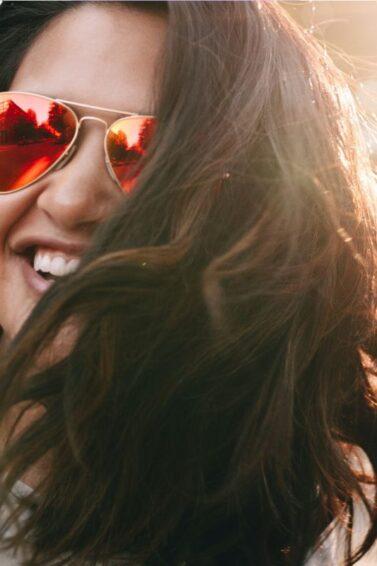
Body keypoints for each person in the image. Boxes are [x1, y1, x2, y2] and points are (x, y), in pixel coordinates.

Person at [0, 1, 375, 564]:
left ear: (264, 220)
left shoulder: (327, 531)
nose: (71, 198)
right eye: (31, 128)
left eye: (154, 155)